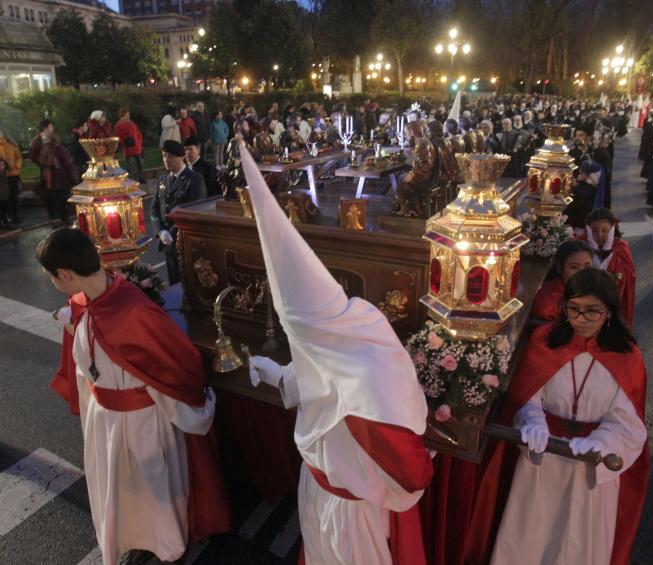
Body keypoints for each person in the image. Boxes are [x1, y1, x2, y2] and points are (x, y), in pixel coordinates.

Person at [239, 141, 433, 565]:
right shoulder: (344, 331)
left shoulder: (365, 378)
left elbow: (407, 465)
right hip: (316, 484)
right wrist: (277, 373)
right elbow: (320, 380)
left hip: (351, 508)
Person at [38, 227, 230, 565]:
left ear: (66, 274)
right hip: (105, 421)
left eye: (52, 277)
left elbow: (171, 366)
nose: (53, 284)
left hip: (142, 425)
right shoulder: (86, 303)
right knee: (120, 494)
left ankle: (167, 546)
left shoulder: (132, 312)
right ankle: (133, 541)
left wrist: (192, 411)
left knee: (153, 492)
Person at [468, 268, 648, 565]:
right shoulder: (544, 341)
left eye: (593, 312)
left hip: (590, 467)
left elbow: (628, 421)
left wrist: (602, 442)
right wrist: (532, 420)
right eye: (574, 309)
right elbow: (527, 397)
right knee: (529, 535)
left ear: (609, 313)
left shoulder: (627, 356)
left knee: (577, 544)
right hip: (543, 461)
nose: (581, 319)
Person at [151, 140, 206, 285]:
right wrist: (161, 231)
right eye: (163, 156)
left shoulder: (194, 180)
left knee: (190, 285)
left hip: (186, 243)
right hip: (168, 244)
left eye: (170, 156)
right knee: (174, 284)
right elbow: (154, 210)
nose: (166, 160)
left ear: (181, 157)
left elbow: (195, 213)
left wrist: (173, 232)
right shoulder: (162, 181)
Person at [583, 208, 636, 326]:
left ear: (612, 229)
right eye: (594, 231)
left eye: (604, 230)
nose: (600, 235)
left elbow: (626, 280)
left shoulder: (621, 249)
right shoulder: (580, 246)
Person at [29, 119, 77, 226]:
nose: (44, 141)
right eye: (51, 126)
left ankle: (63, 219)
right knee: (56, 199)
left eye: (45, 140)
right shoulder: (42, 147)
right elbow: (35, 156)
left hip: (59, 178)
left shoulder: (58, 149)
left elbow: (67, 163)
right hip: (52, 178)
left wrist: (71, 176)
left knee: (61, 199)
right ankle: (60, 219)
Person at [531, 239, 593, 321]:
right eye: (574, 267)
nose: (582, 273)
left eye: (587, 267)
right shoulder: (548, 304)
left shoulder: (598, 287)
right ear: (560, 268)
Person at [114, 108, 144, 183]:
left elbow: (137, 132)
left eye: (128, 115)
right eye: (126, 115)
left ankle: (141, 177)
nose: (128, 117)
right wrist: (124, 143)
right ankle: (130, 180)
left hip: (136, 146)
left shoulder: (131, 123)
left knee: (139, 163)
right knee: (128, 165)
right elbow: (118, 136)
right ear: (122, 116)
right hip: (128, 146)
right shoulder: (119, 125)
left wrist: (140, 141)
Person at [0, 128, 23, 225]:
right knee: (4, 198)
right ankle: (6, 218)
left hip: (13, 175)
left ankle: (15, 216)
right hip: (2, 177)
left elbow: (19, 157)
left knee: (14, 197)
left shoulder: (12, 145)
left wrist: (17, 167)